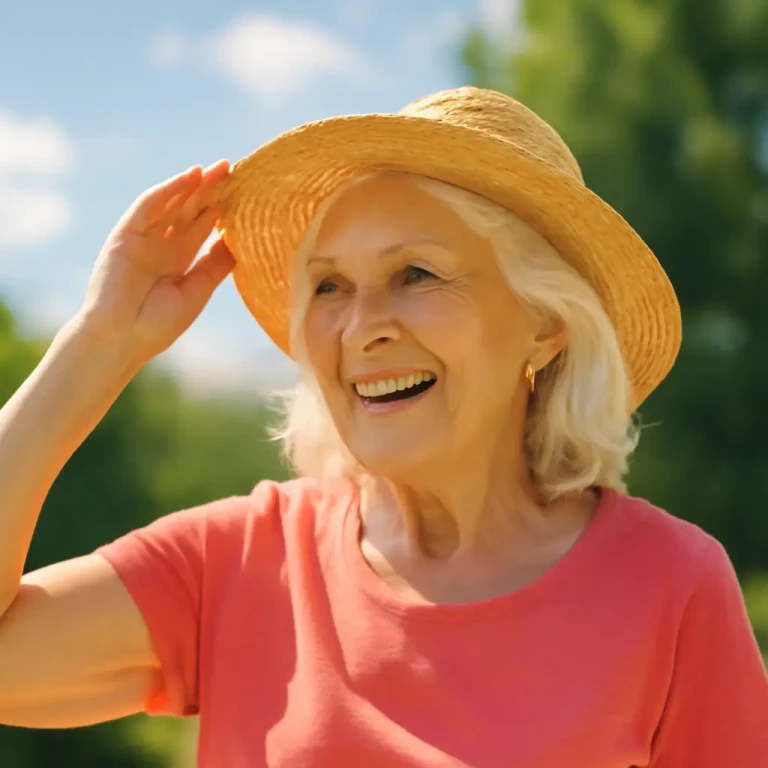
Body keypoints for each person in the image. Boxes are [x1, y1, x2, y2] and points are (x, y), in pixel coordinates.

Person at [0, 86, 765, 767]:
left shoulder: (673, 585)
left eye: (416, 275)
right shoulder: (239, 563)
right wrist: (99, 346)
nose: (361, 328)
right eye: (330, 286)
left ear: (544, 323)